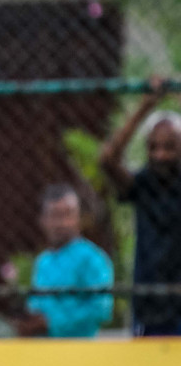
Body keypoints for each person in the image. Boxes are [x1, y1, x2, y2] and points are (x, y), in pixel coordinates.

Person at [98, 77, 181, 336]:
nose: (161, 155)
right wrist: (144, 107)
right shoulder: (142, 184)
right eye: (153, 147)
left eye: (170, 147)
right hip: (148, 301)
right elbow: (108, 160)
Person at [14, 186, 114, 338]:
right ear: (42, 220)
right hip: (43, 349)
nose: (61, 223)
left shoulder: (92, 258)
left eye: (67, 215)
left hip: (81, 349)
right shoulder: (43, 261)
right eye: (54, 215)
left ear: (79, 218)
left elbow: (101, 310)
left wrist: (52, 324)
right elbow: (35, 305)